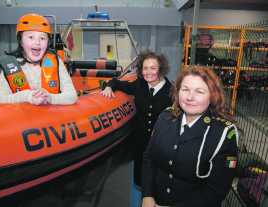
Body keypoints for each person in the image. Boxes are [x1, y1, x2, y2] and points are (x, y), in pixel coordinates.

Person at [141, 66, 239, 207]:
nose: (190, 97)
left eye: (199, 91)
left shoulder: (224, 133)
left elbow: (216, 190)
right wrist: (147, 195)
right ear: (178, 92)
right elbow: (149, 158)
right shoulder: (165, 117)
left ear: (212, 96)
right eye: (185, 89)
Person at [101, 51, 173, 207]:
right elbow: (117, 82)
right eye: (145, 68)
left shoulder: (171, 91)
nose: (148, 72)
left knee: (158, 181)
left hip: (161, 145)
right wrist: (109, 87)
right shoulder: (139, 84)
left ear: (161, 69)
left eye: (153, 68)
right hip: (140, 144)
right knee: (140, 180)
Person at [0, 13, 77, 105]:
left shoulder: (56, 61)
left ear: (48, 42)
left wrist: (50, 98)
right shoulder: (12, 66)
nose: (37, 42)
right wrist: (28, 96)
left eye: (42, 38)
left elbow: (72, 96)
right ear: (20, 41)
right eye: (31, 37)